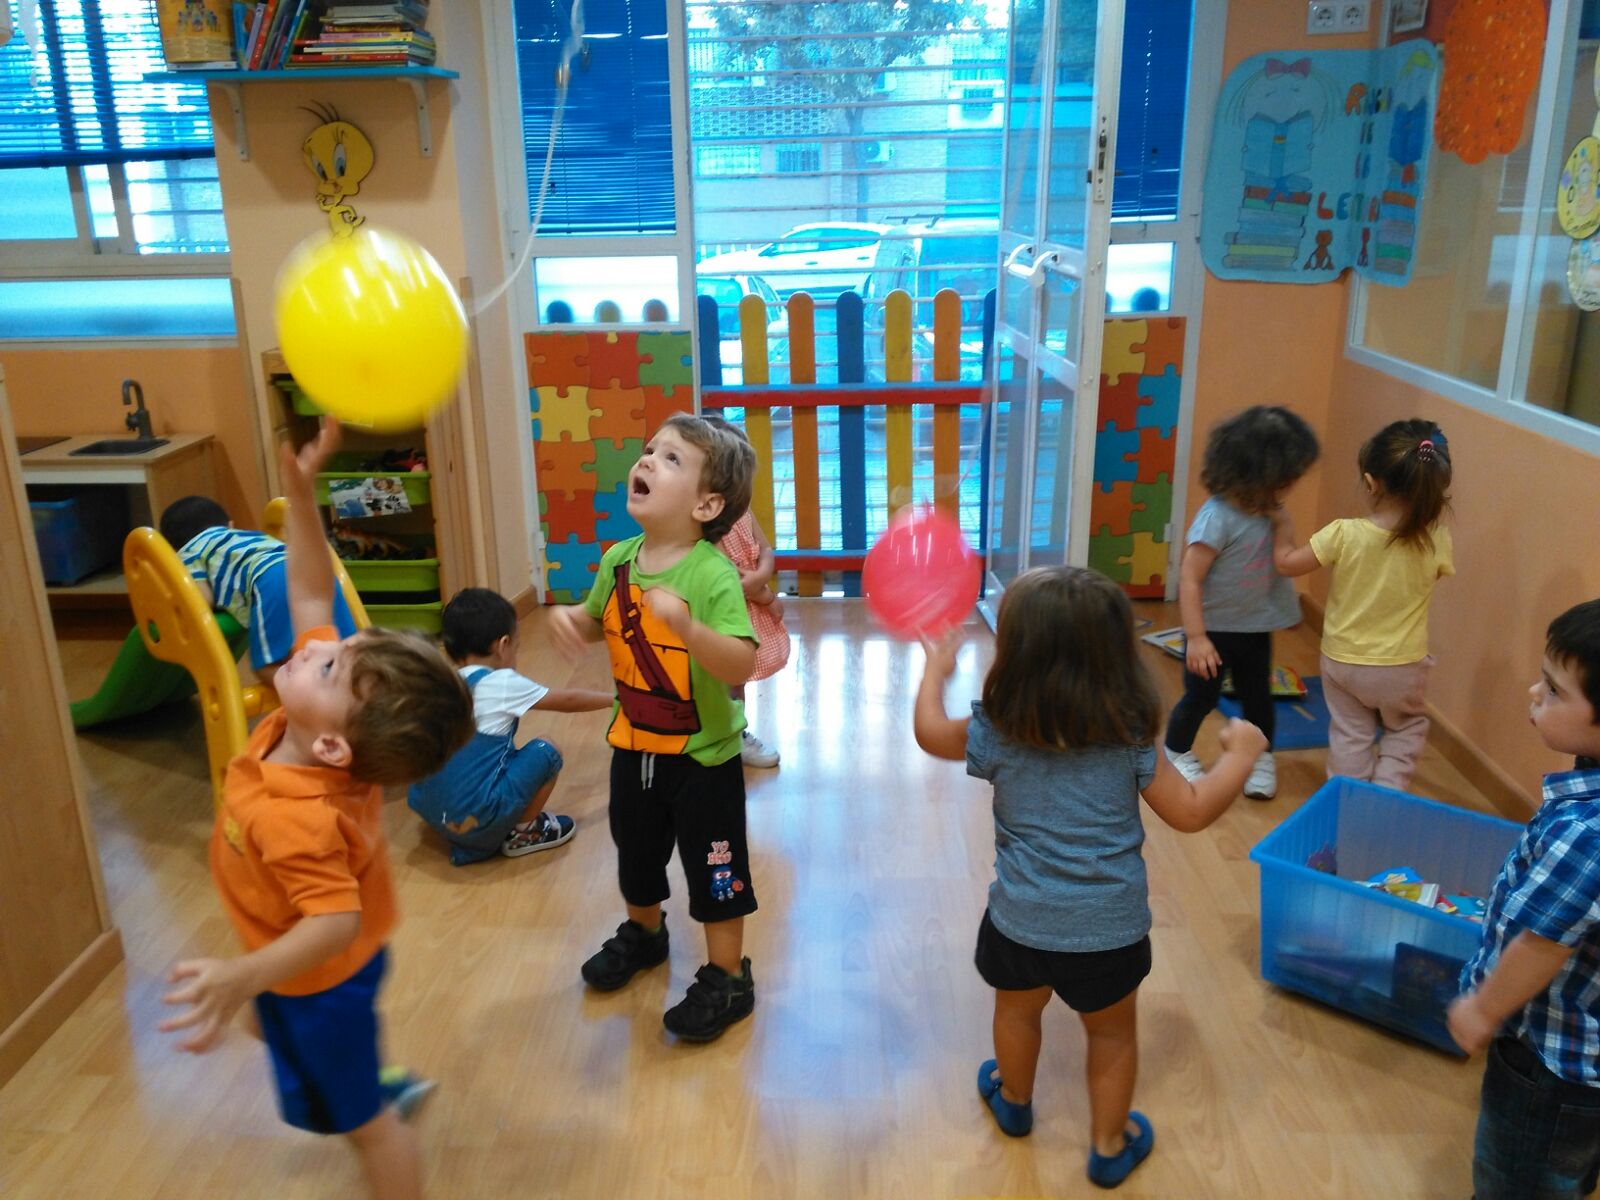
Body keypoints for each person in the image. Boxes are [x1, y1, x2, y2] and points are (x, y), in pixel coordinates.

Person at [158, 421, 474, 1200]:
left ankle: (377, 1104)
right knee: (271, 1029)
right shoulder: (314, 726)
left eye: (329, 662)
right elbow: (305, 585)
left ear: (337, 749)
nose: (312, 647)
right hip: (305, 965)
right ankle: (361, 1070)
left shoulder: (302, 809)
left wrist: (243, 974)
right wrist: (300, 497)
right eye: (336, 648)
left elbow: (328, 922)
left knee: (366, 1126)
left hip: (320, 977)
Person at [913, 566, 1266, 1189]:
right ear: (1116, 660)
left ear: (1015, 656)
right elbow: (1190, 812)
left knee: (1017, 1017)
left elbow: (930, 734)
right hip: (1110, 934)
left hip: (1019, 924)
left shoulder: (998, 728)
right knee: (1111, 1037)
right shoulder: (1128, 736)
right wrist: (1238, 758)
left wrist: (934, 675)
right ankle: (1107, 1145)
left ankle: (1015, 1101)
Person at [547, 413, 762, 1042]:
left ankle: (728, 976)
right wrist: (572, 623)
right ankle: (645, 933)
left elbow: (741, 661)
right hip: (633, 750)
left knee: (716, 869)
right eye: (648, 451)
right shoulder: (618, 559)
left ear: (707, 503)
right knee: (635, 857)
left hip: (704, 762)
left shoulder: (710, 574)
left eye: (670, 459)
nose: (645, 462)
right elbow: (597, 619)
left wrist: (690, 630)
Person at [1447, 600, 1600, 1200]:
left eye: (1556, 691)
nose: (1534, 692)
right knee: (1568, 1170)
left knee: (1520, 1179)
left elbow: (1540, 945)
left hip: (1548, 1062)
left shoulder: (1588, 834)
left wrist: (1483, 1010)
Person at [1271, 420, 1453, 789]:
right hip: (1400, 665)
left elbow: (1286, 564)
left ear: (1371, 483)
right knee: (1405, 728)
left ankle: (1348, 799)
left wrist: (1281, 527)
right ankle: (1384, 797)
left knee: (1350, 733)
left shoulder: (1344, 533)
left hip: (1342, 660)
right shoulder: (1437, 539)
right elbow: (1424, 584)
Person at [1163, 405, 1320, 800]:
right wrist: (1197, 638)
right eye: (1281, 481)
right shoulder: (1217, 517)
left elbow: (1280, 562)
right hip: (1212, 631)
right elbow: (1190, 577)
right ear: (1252, 474)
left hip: (1254, 628)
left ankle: (1260, 754)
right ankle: (1175, 751)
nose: (1284, 491)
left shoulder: (1272, 514)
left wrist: (1287, 611)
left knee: (1258, 697)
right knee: (1202, 696)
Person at [407, 587, 611, 865]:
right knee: (546, 750)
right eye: (517, 647)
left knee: (488, 753)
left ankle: (460, 825)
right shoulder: (501, 683)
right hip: (476, 819)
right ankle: (524, 833)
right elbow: (568, 699)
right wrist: (616, 698)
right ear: (503, 646)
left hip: (429, 809)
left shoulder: (440, 681)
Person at [159, 495, 358, 688]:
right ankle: (357, 690)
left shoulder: (188, 553)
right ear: (230, 525)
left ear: (172, 548)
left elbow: (201, 599)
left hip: (271, 577)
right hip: (314, 568)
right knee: (343, 647)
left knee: (267, 665)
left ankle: (303, 698)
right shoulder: (251, 536)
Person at [702, 414, 791, 768]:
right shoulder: (710, 524)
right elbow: (733, 582)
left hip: (745, 610)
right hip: (723, 615)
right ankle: (725, 736)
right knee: (723, 679)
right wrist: (767, 597)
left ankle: (733, 734)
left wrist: (763, 576)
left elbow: (766, 550)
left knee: (736, 680)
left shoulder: (741, 511)